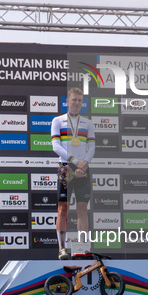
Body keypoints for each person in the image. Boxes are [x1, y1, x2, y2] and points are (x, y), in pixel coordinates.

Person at [51, 88, 95, 260]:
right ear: (67, 101)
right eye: (74, 100)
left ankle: (83, 248)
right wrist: (76, 162)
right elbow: (56, 146)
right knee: (63, 208)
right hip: (65, 167)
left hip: (83, 166)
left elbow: (91, 147)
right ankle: (62, 249)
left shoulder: (88, 123)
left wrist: (83, 165)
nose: (77, 103)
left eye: (80, 100)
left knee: (82, 209)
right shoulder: (58, 121)